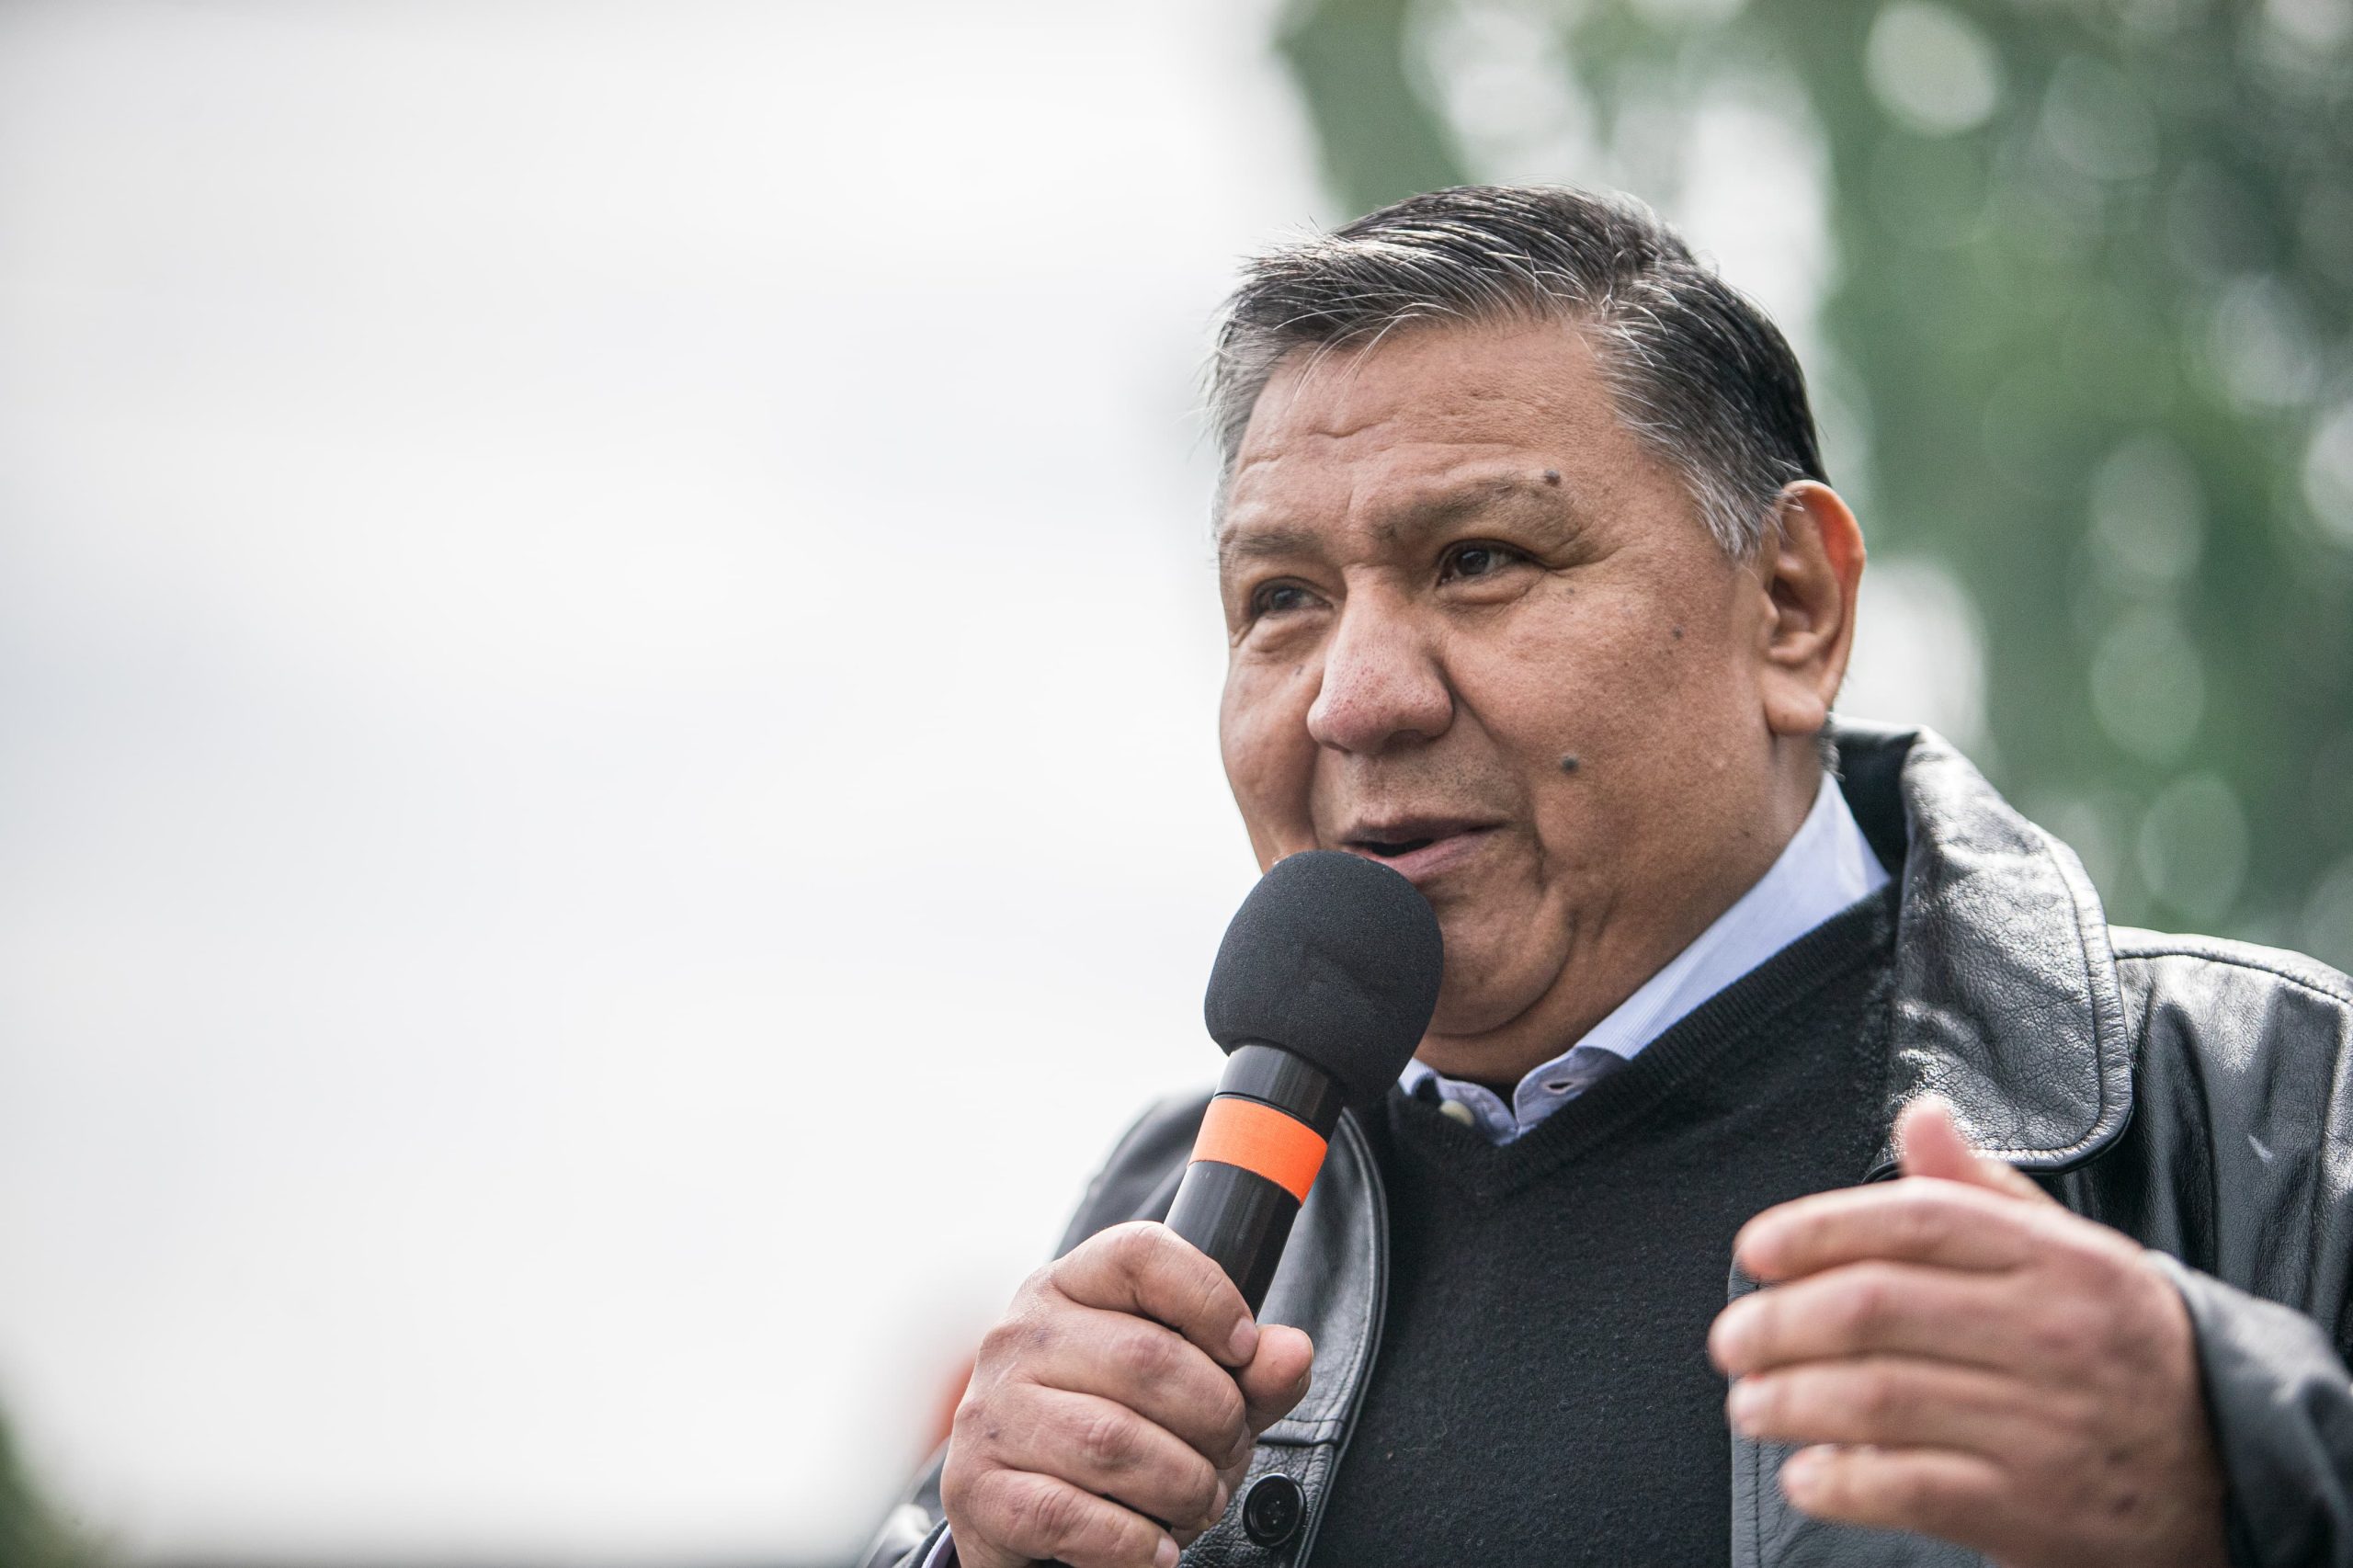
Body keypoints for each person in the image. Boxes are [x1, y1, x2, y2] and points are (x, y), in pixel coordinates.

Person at [858, 186, 2353, 1568]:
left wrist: (2245, 1487)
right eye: (1284, 598)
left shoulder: (2269, 1110)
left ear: (1792, 605)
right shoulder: (1164, 1201)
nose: (1355, 697)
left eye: (1479, 559)